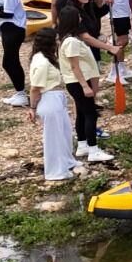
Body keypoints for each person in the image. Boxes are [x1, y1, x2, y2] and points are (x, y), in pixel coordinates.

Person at [56, 4, 113, 164]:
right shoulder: (72, 42)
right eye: (78, 16)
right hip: (78, 82)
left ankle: (82, 144)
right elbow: (74, 66)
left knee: (82, 113)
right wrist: (85, 86)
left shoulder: (68, 39)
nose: (81, 18)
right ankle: (93, 150)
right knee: (90, 114)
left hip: (77, 82)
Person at [25, 28, 82, 180]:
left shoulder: (44, 57)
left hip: (56, 99)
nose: (58, 42)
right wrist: (32, 108)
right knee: (54, 138)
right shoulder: (42, 62)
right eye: (56, 40)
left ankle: (66, 161)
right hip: (49, 100)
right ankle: (56, 171)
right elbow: (35, 88)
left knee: (64, 132)